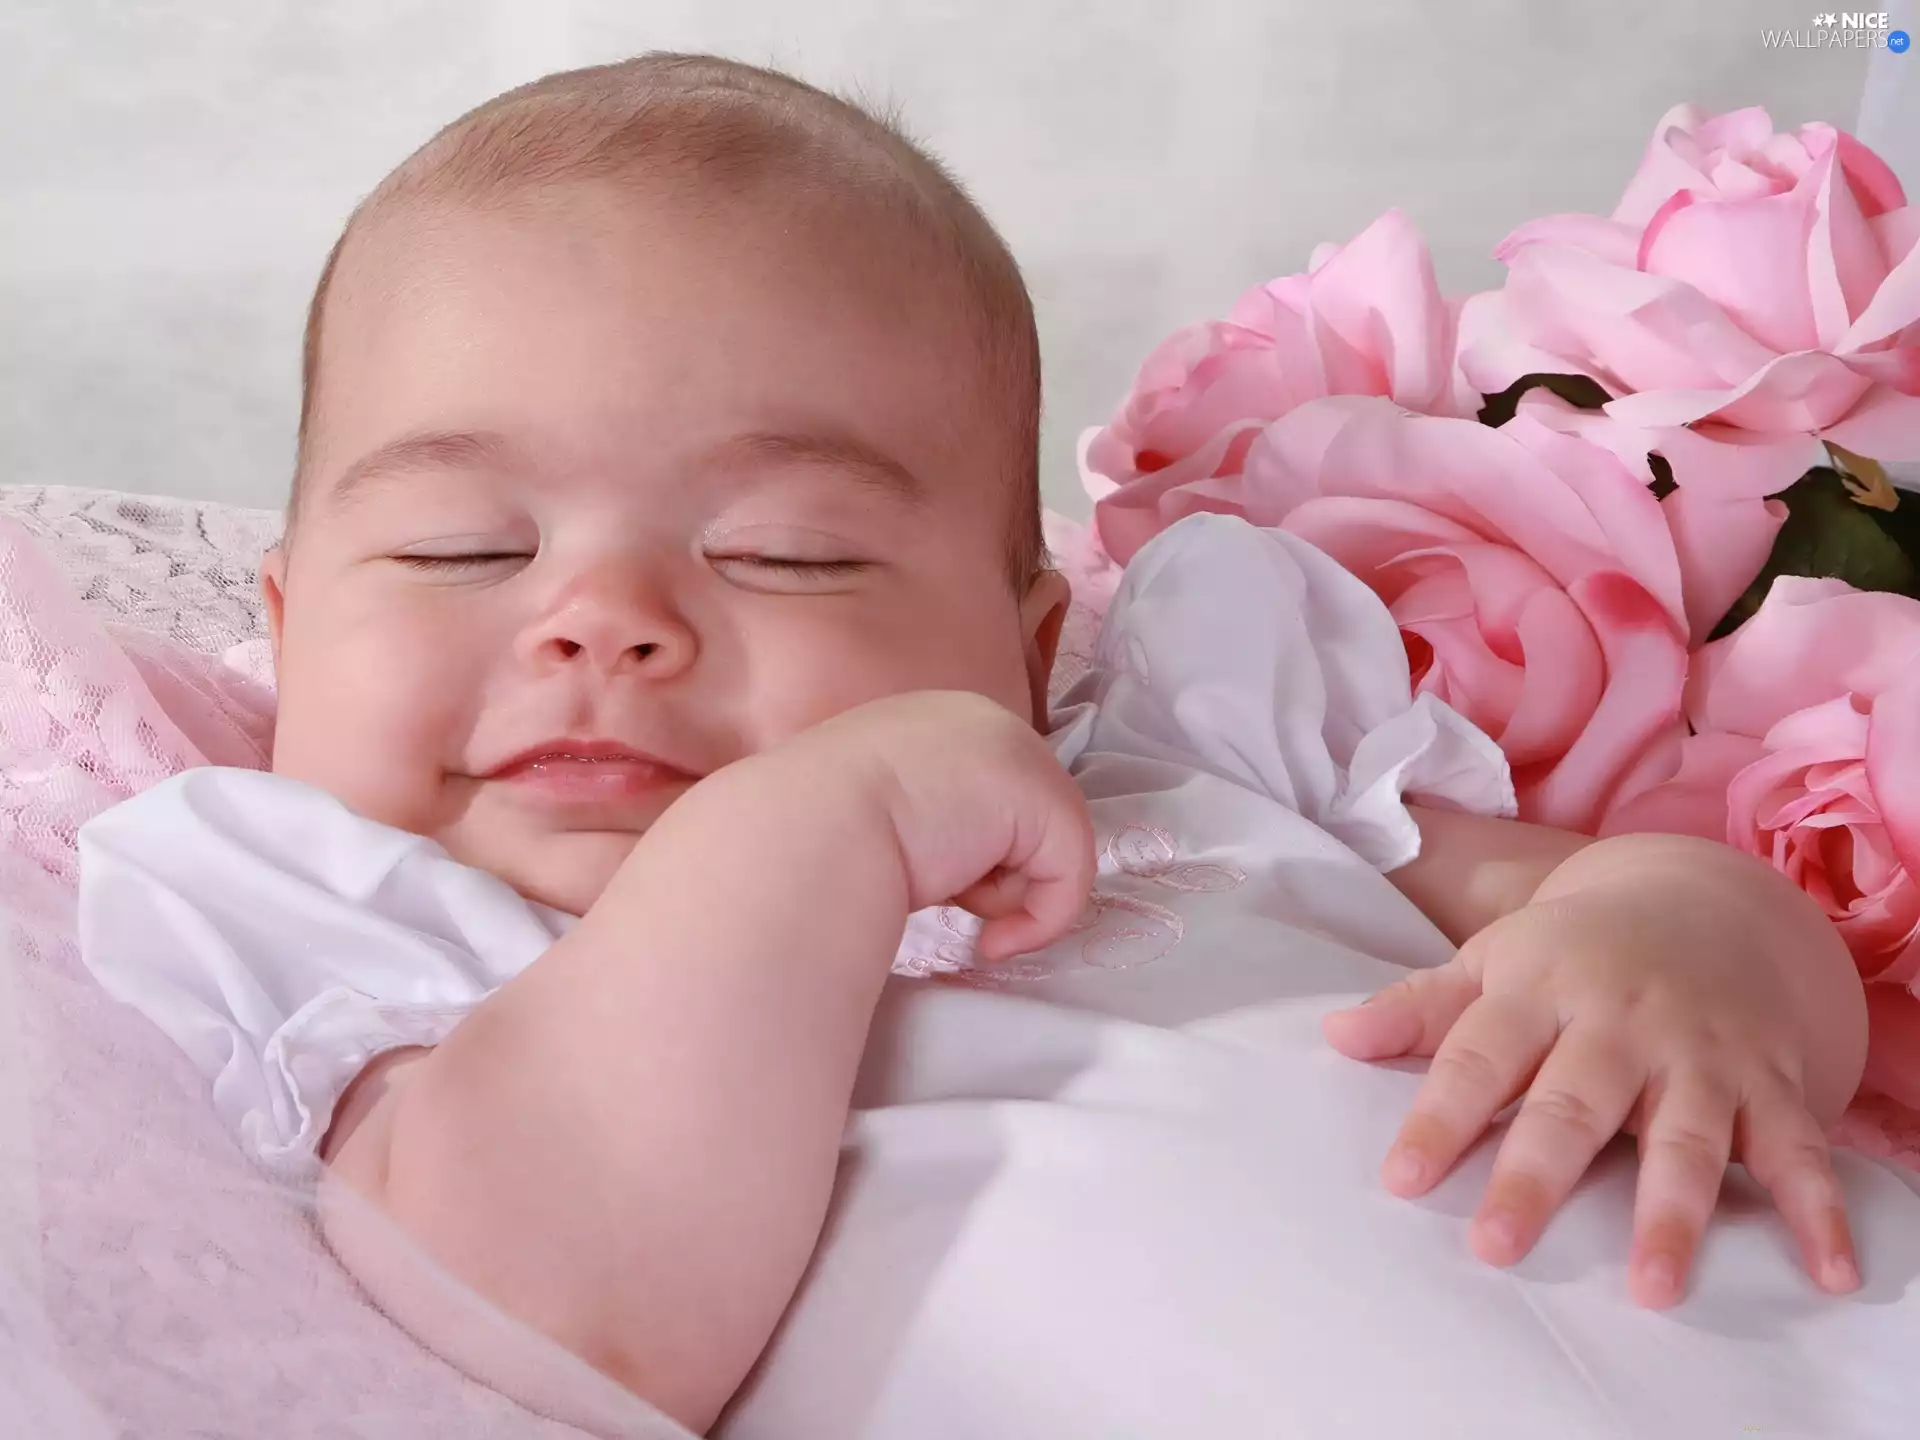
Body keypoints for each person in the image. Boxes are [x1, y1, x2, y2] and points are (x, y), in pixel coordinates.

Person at [75, 54, 1867, 1434]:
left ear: (1027, 653)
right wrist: (810, 831)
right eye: (466, 547)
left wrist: (1676, 939)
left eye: (788, 550)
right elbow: (557, 1318)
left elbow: (1649, 917)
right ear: (291, 627)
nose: (601, 617)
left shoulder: (1199, 759)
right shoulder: (370, 934)